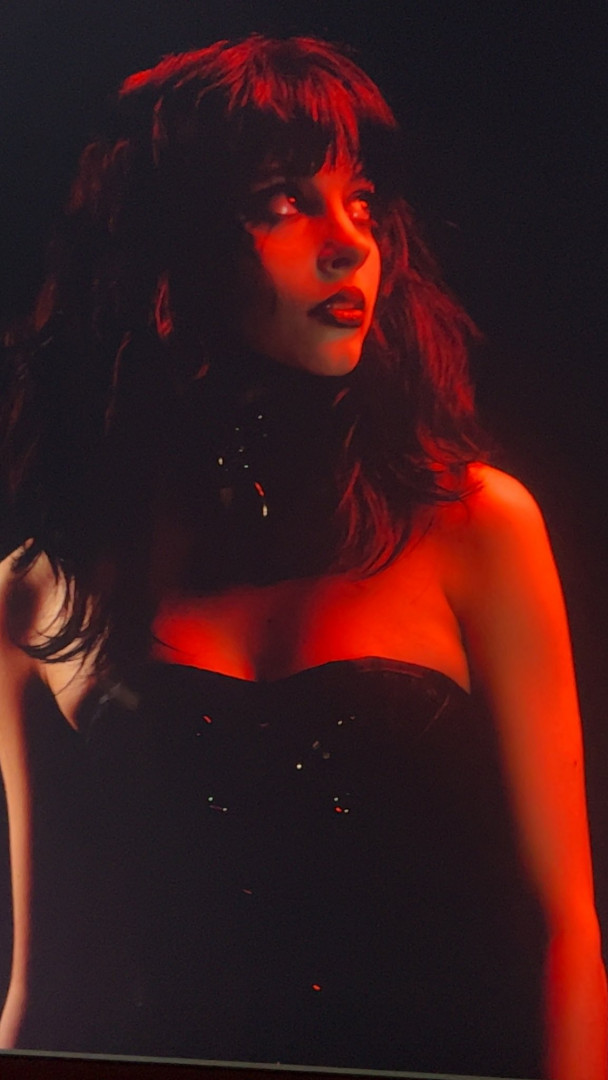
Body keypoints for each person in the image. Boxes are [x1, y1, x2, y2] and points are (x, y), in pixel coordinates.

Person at [0, 34, 605, 1079]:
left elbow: (567, 937)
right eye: (285, 201)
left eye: (360, 202)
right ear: (171, 241)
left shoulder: (474, 527)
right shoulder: (35, 593)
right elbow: (49, 982)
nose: (348, 244)